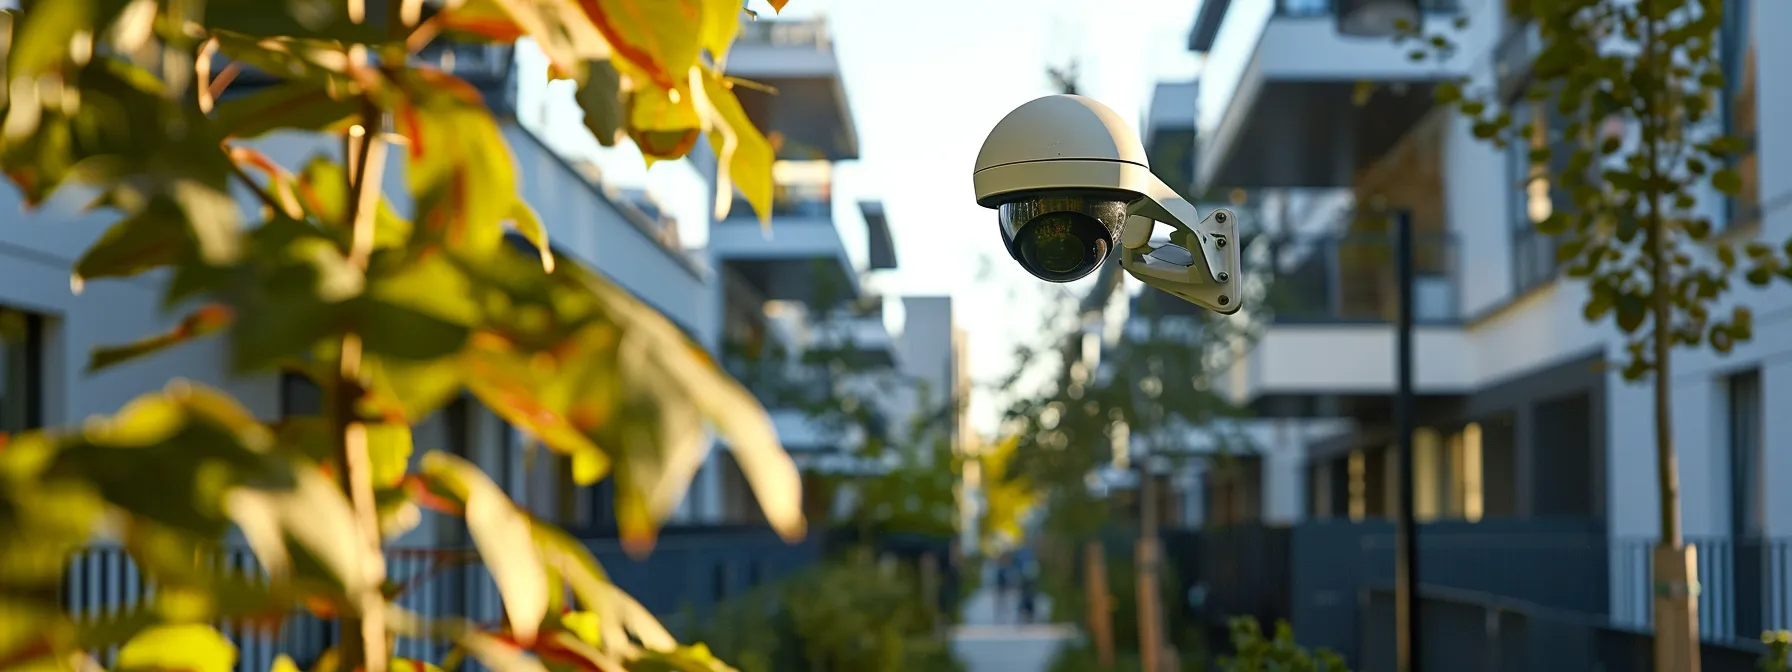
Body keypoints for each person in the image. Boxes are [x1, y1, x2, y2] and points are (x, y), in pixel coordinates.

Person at [992, 551, 1014, 622]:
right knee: (1000, 600)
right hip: (1001, 586)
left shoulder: (1004, 567)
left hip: (1003, 586)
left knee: (1002, 600)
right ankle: (1000, 613)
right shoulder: (1001, 568)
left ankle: (1002, 613)